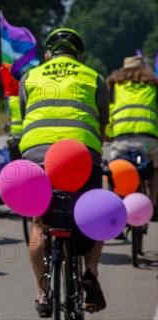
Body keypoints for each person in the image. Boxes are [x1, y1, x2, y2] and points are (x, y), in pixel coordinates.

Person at [18, 28, 109, 317]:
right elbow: (102, 124)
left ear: (48, 54)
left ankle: (43, 292)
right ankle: (91, 274)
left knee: (39, 223)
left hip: (36, 153)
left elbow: (25, 116)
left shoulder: (30, 76)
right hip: (81, 155)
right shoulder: (93, 76)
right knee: (95, 213)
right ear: (79, 55)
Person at [106, 55, 158, 220]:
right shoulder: (153, 86)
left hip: (121, 138)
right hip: (149, 138)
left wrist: (108, 134)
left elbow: (110, 112)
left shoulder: (115, 86)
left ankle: (116, 212)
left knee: (114, 173)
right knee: (155, 169)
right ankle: (152, 204)